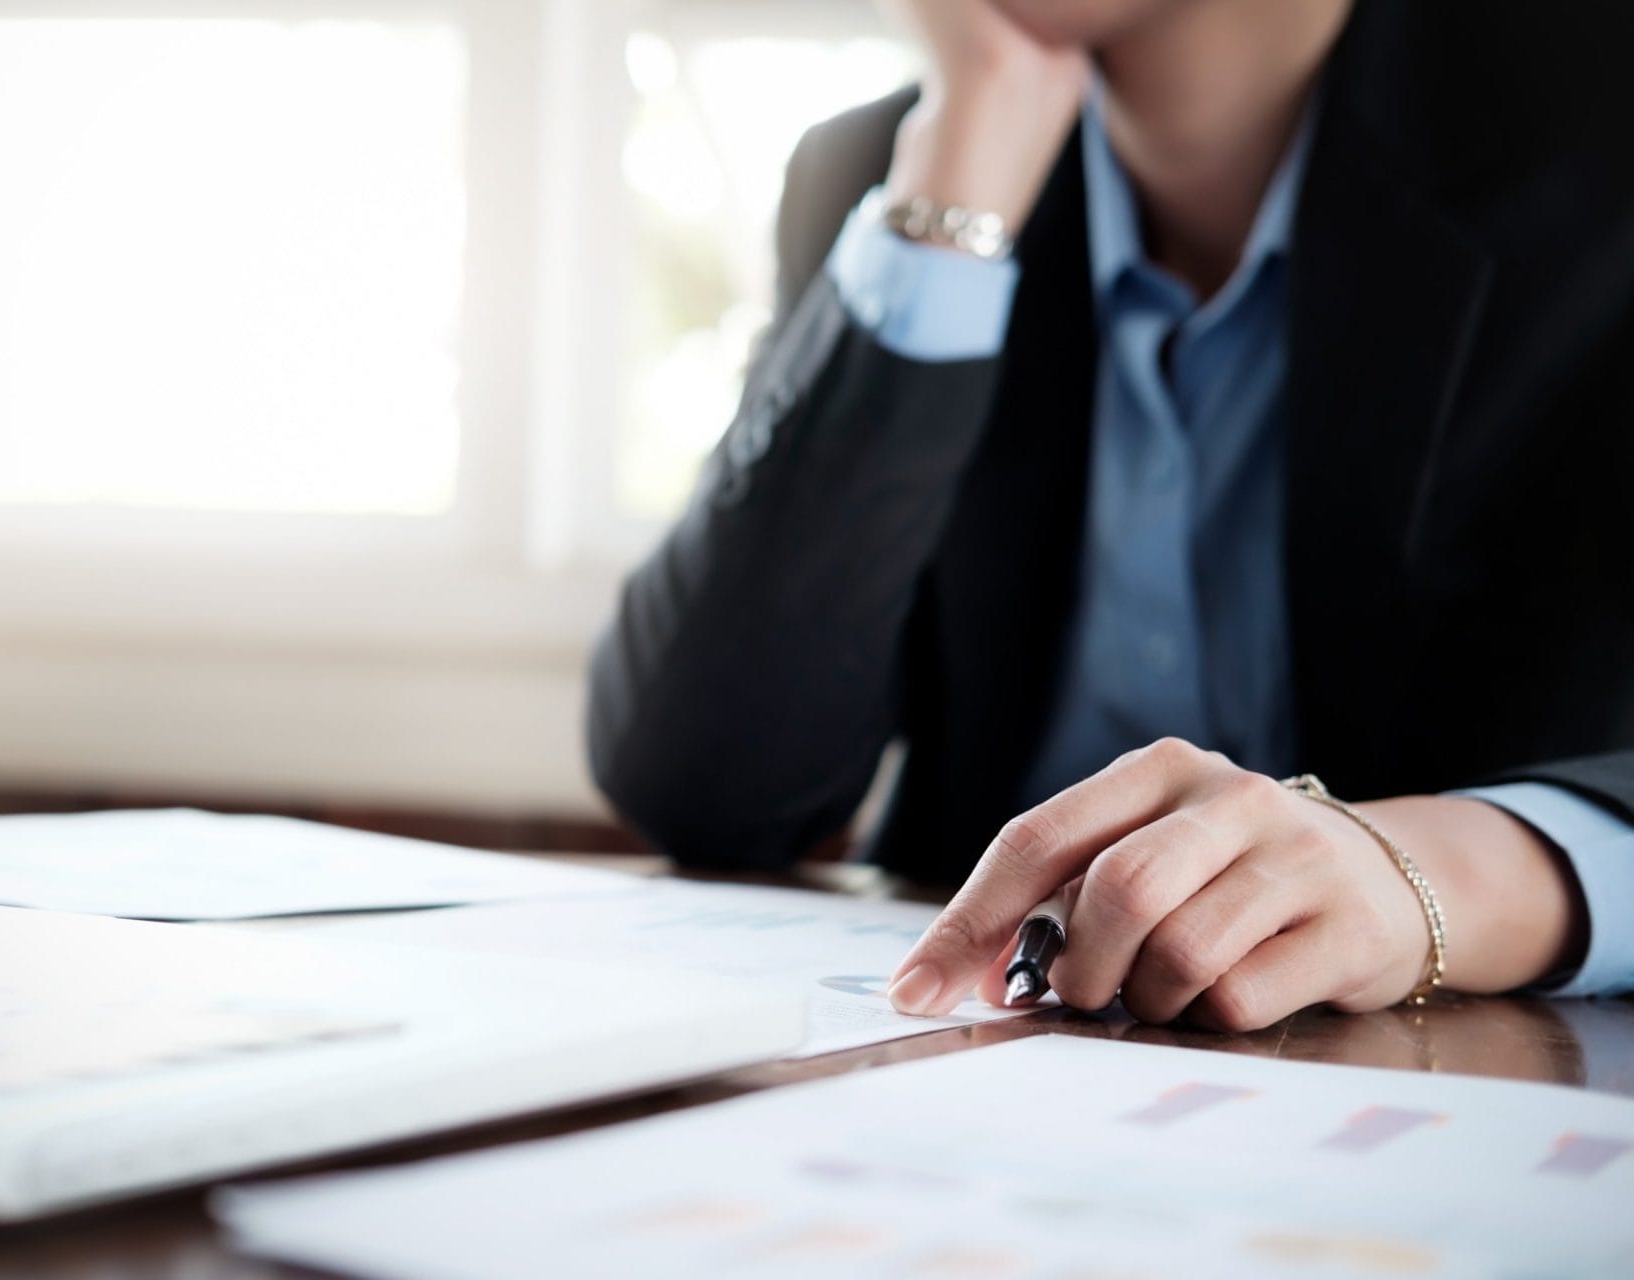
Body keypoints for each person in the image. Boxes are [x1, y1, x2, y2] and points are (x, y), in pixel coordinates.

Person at [586, 0, 1634, 1031]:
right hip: (993, 1075)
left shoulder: (1593, 119)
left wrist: (1441, 874)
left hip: (1455, 1100)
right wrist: (953, 198)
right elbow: (707, 783)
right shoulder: (887, 165)